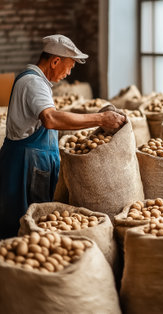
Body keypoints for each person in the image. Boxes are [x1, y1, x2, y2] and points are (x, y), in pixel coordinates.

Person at [0, 34, 126, 238]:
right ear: (55, 61)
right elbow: (50, 119)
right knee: (23, 226)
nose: (68, 73)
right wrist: (101, 118)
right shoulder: (34, 83)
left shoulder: (34, 80)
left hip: (30, 162)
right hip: (26, 165)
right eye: (69, 67)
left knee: (27, 222)